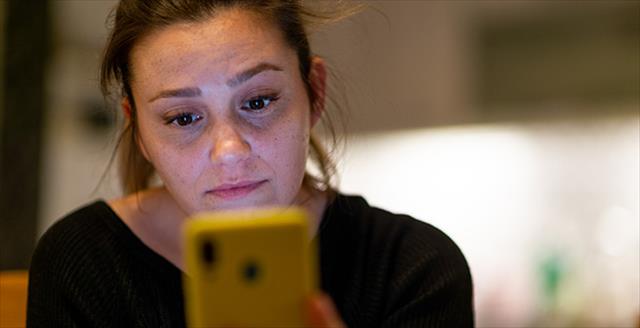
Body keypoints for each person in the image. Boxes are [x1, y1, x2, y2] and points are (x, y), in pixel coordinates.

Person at [27, 0, 474, 327]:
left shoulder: (412, 270)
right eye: (183, 117)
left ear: (313, 93)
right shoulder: (83, 264)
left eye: (258, 101)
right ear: (139, 130)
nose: (230, 150)